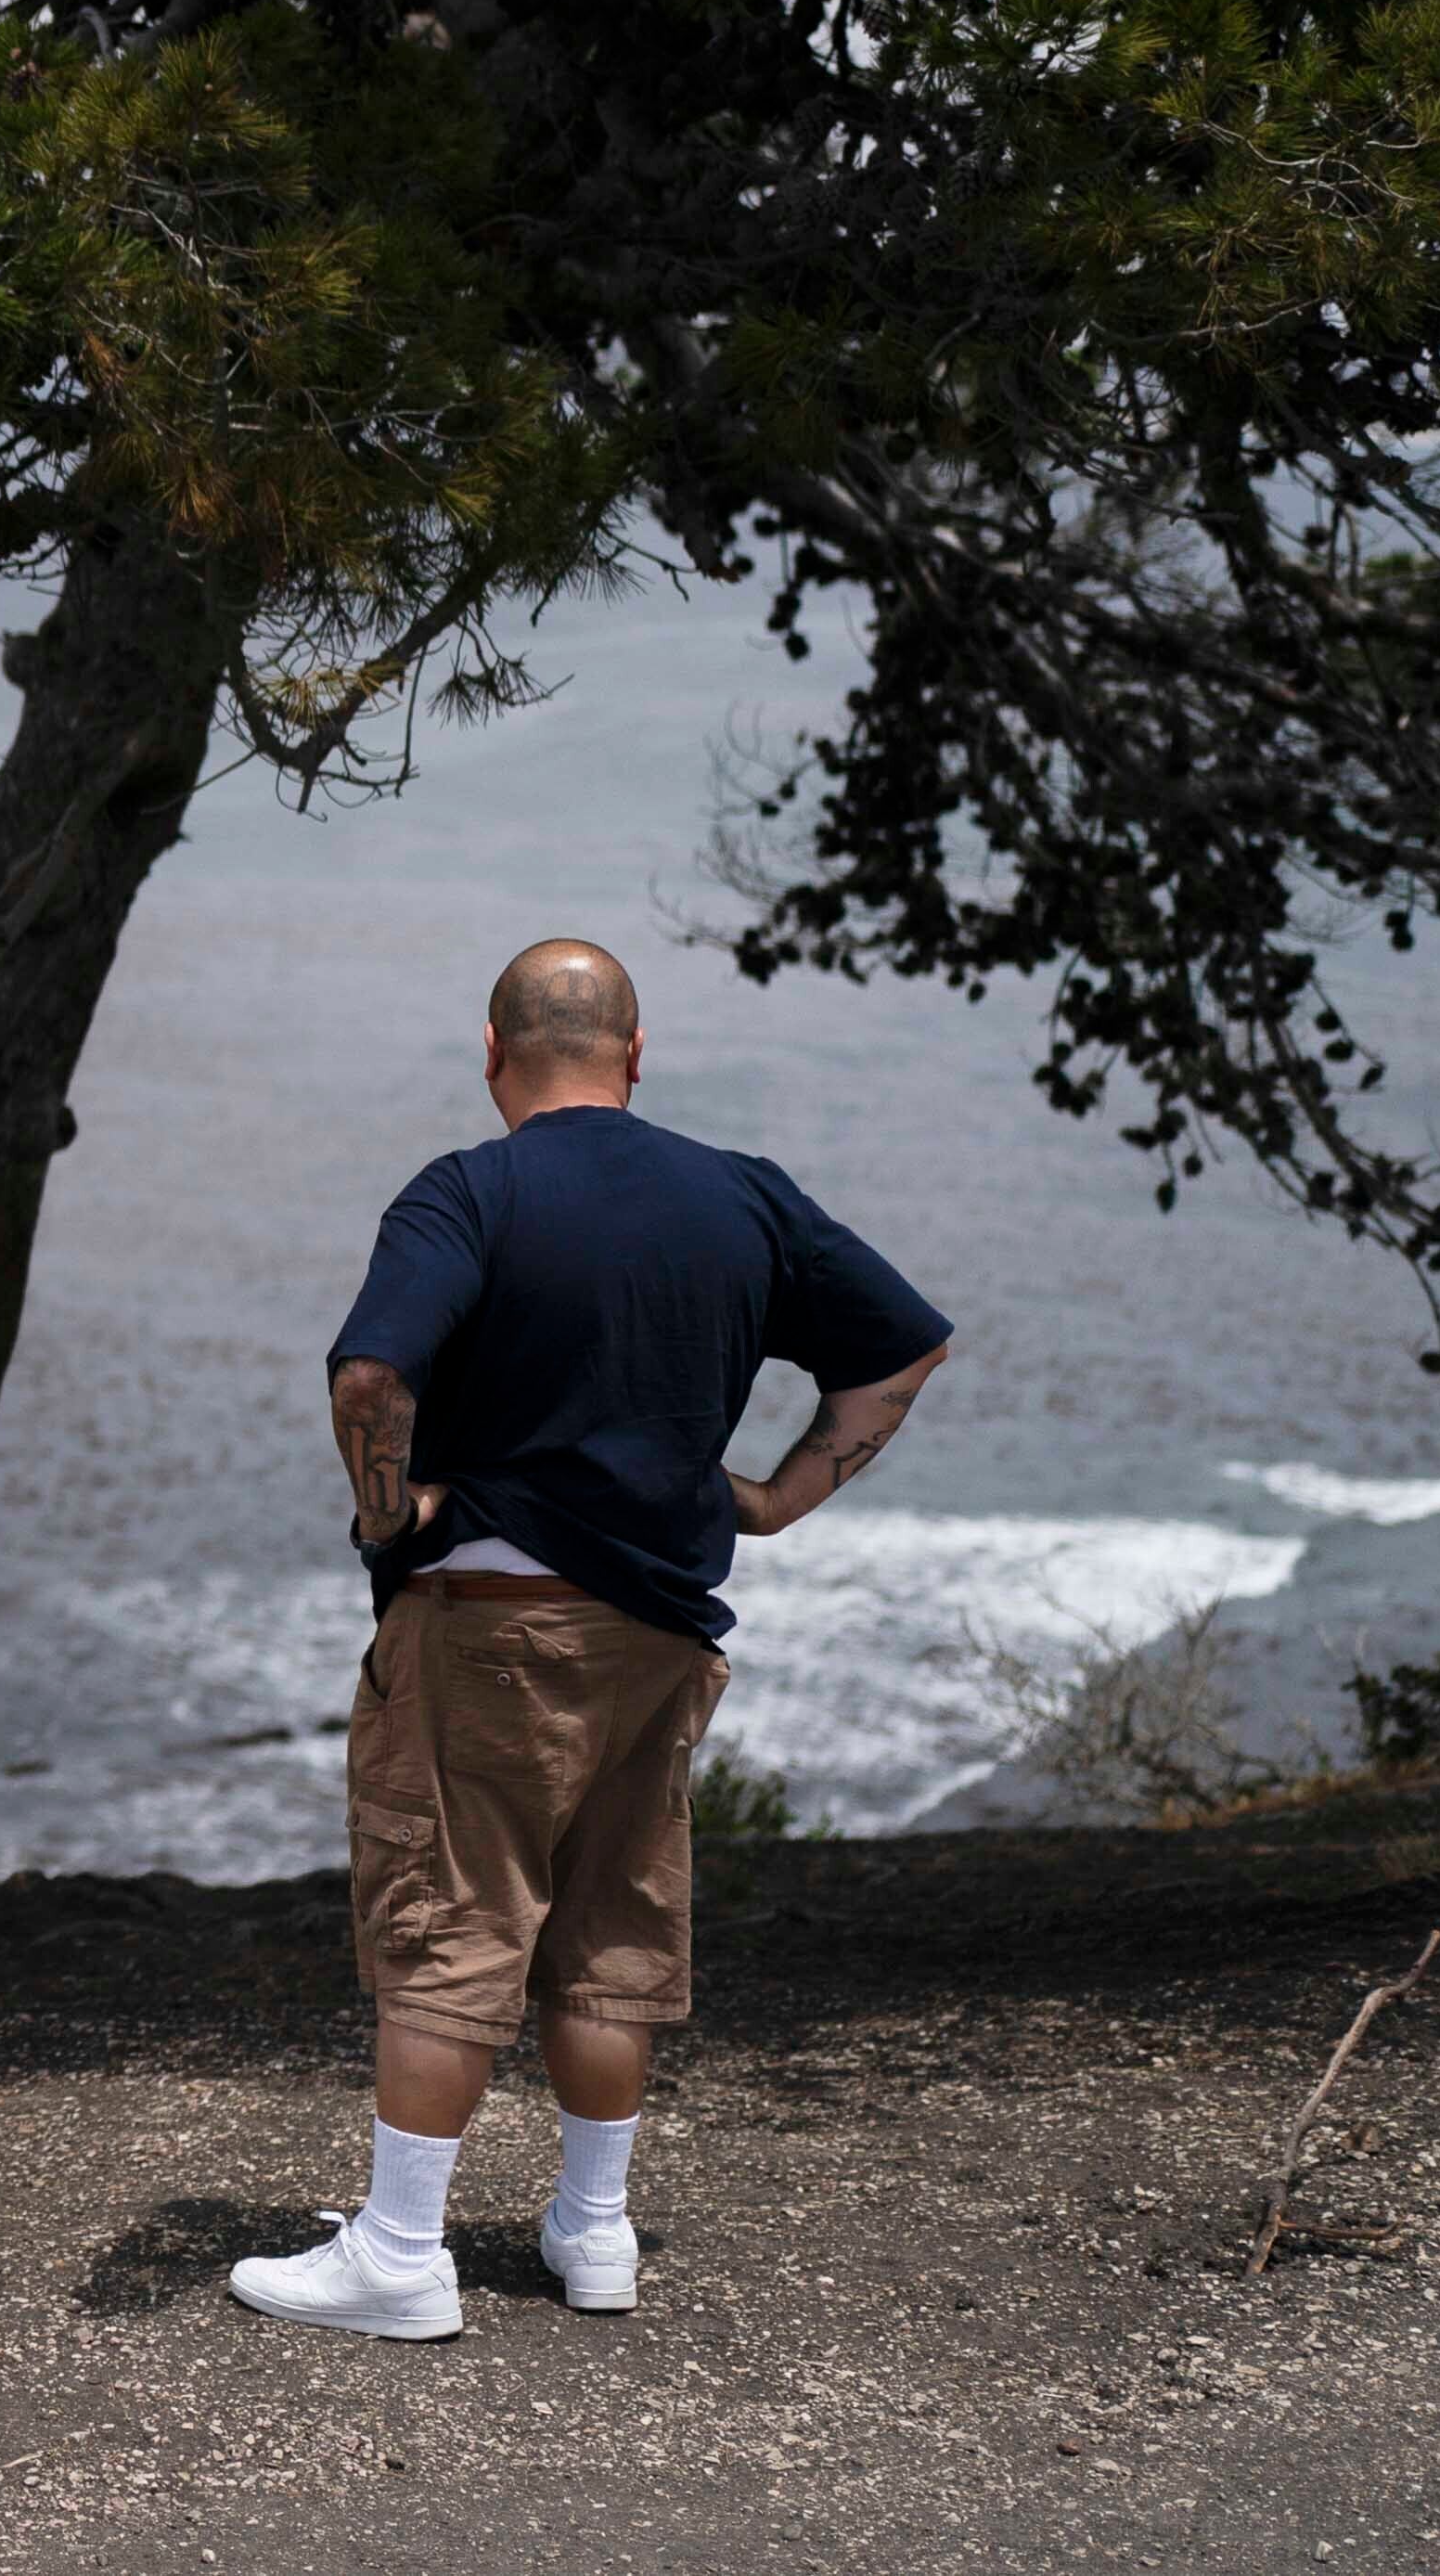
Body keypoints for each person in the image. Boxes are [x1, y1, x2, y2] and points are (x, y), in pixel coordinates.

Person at [228, 938, 952, 2339]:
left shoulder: (469, 1191)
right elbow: (901, 1351)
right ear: (636, 1053)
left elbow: (372, 1371)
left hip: (492, 1622)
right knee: (610, 1924)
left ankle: (398, 2253)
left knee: (455, 1919)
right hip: (659, 1632)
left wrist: (391, 1514)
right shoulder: (741, 1193)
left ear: (493, 1052)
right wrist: (780, 1494)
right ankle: (595, 2229)